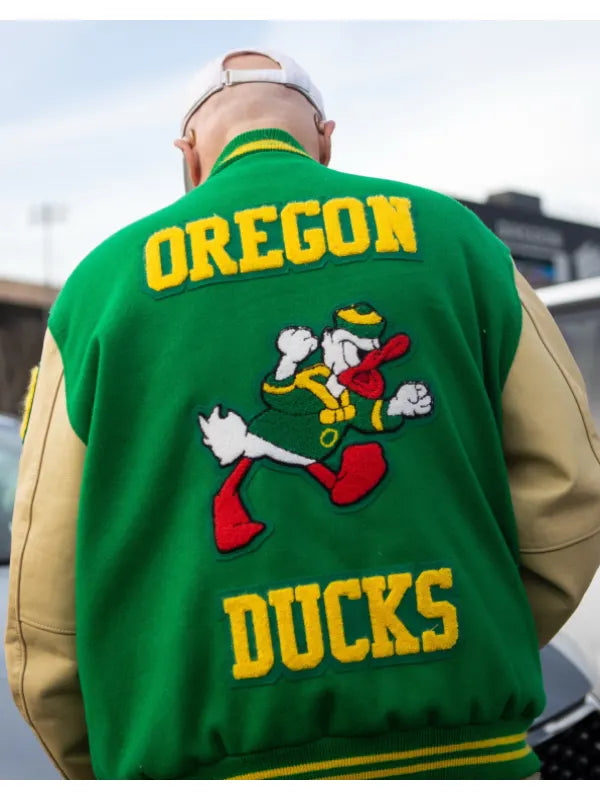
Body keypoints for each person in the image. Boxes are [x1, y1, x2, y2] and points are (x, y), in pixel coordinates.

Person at [5, 48, 600, 781]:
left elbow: (45, 607)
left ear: (188, 156)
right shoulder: (462, 245)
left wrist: (112, 757)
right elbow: (570, 497)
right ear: (324, 138)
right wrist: (467, 651)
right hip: (466, 757)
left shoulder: (99, 290)